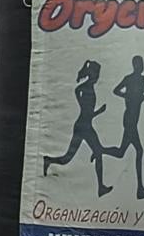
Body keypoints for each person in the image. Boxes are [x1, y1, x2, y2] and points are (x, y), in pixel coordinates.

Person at [43, 59, 112, 197]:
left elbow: (82, 103)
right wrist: (100, 111)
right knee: (71, 157)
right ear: (92, 75)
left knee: (81, 156)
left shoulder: (87, 88)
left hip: (85, 125)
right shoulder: (86, 89)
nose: (97, 77)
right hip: (83, 126)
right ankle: (49, 160)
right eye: (96, 74)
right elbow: (87, 113)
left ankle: (101, 187)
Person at [105, 54, 144, 199]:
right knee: (139, 150)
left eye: (141, 63)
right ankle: (140, 189)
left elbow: (137, 100)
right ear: (135, 65)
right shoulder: (129, 79)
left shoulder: (141, 79)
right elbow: (116, 90)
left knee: (121, 152)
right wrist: (128, 97)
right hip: (129, 119)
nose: (141, 65)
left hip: (133, 118)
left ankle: (99, 150)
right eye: (138, 63)